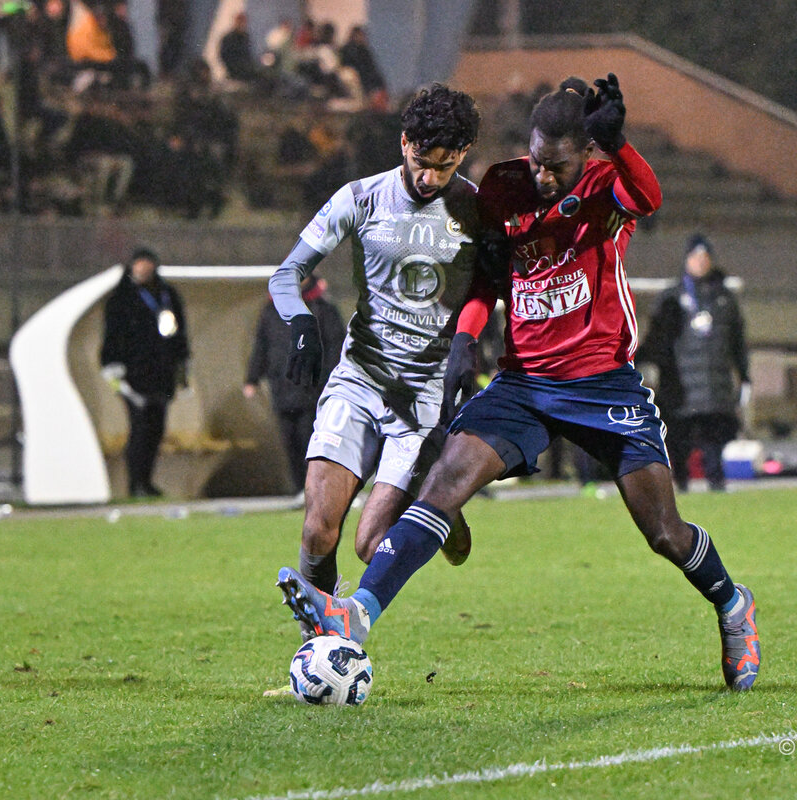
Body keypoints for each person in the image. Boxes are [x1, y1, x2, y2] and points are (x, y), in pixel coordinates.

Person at [277, 75, 761, 692]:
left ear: (585, 155)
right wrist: (463, 340)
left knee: (664, 533)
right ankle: (358, 613)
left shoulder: (605, 189)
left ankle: (731, 603)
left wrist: (620, 145)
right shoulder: (507, 191)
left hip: (600, 384)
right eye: (536, 160)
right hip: (523, 383)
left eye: (557, 166)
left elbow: (649, 194)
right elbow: (488, 282)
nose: (543, 176)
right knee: (443, 482)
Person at [267, 84, 482, 619]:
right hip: (359, 377)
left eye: (445, 166)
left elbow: (497, 286)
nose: (430, 178)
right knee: (318, 527)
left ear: (463, 154)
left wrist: (470, 343)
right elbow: (287, 273)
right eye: (422, 162)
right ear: (404, 142)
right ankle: (322, 643)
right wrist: (301, 324)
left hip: (424, 395)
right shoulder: (361, 197)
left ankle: (441, 509)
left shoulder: (477, 210)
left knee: (370, 545)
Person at [642, 234, 749, 492]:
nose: (700, 262)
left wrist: (744, 375)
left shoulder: (724, 297)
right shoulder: (672, 296)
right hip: (680, 386)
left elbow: (738, 342)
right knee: (679, 438)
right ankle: (680, 484)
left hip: (715, 384)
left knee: (714, 437)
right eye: (695, 257)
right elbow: (657, 340)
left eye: (705, 257)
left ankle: (716, 483)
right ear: (686, 260)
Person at [100, 247, 190, 497]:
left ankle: (147, 481)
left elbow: (179, 334)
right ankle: (136, 483)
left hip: (162, 374)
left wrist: (182, 366)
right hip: (133, 377)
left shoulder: (168, 295)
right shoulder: (121, 299)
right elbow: (112, 337)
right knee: (139, 428)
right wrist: (114, 368)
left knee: (156, 430)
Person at [243, 276, 346, 491]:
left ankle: (318, 489)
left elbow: (335, 345)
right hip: (282, 386)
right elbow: (262, 344)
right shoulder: (272, 309)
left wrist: (330, 379)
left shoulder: (322, 307)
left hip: (313, 388)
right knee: (290, 441)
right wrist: (252, 378)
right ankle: (301, 489)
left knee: (311, 439)